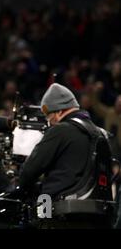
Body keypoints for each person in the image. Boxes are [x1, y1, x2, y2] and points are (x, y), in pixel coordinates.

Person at [19, 83, 113, 228]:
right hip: (99, 218)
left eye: (49, 116)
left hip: (62, 217)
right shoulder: (102, 133)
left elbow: (28, 172)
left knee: (39, 203)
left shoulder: (60, 131)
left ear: (59, 112)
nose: (49, 122)